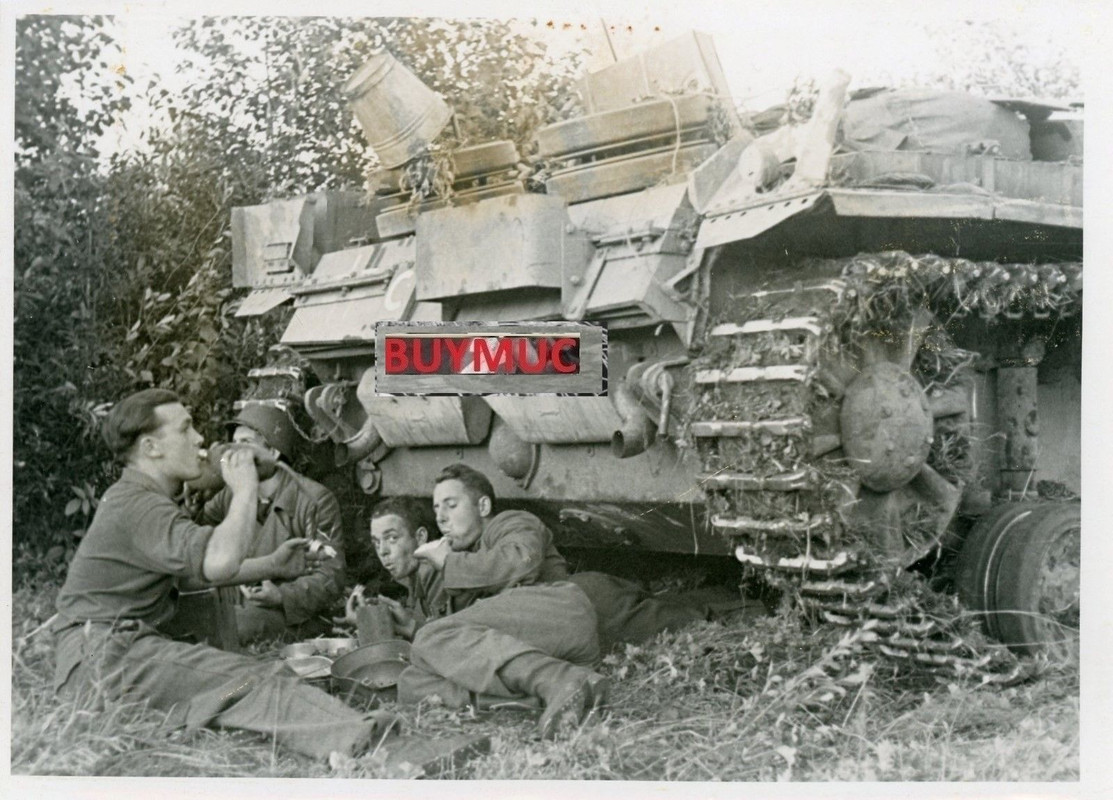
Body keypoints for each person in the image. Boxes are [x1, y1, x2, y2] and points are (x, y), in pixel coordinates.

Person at [52, 389, 394, 761]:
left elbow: (195, 570)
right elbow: (219, 560)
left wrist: (272, 566)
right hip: (106, 657)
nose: (199, 439)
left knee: (230, 682)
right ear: (151, 447)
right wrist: (245, 488)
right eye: (185, 429)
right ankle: (361, 743)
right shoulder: (139, 505)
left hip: (100, 658)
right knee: (254, 679)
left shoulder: (138, 498)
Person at [394, 464, 609, 739]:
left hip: (558, 614)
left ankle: (558, 680)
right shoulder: (468, 554)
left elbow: (521, 561)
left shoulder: (510, 522)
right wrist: (412, 627)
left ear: (483, 506)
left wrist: (449, 563)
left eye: (451, 505)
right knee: (412, 681)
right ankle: (556, 693)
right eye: (436, 509)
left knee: (429, 638)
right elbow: (469, 642)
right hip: (529, 647)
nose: (441, 518)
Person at [199, 404, 346, 645]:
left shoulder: (314, 500)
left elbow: (331, 575)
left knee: (226, 630)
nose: (235, 455)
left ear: (274, 453)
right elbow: (199, 538)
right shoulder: (229, 494)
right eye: (232, 444)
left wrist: (281, 596)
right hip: (238, 604)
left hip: (291, 616)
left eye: (245, 444)